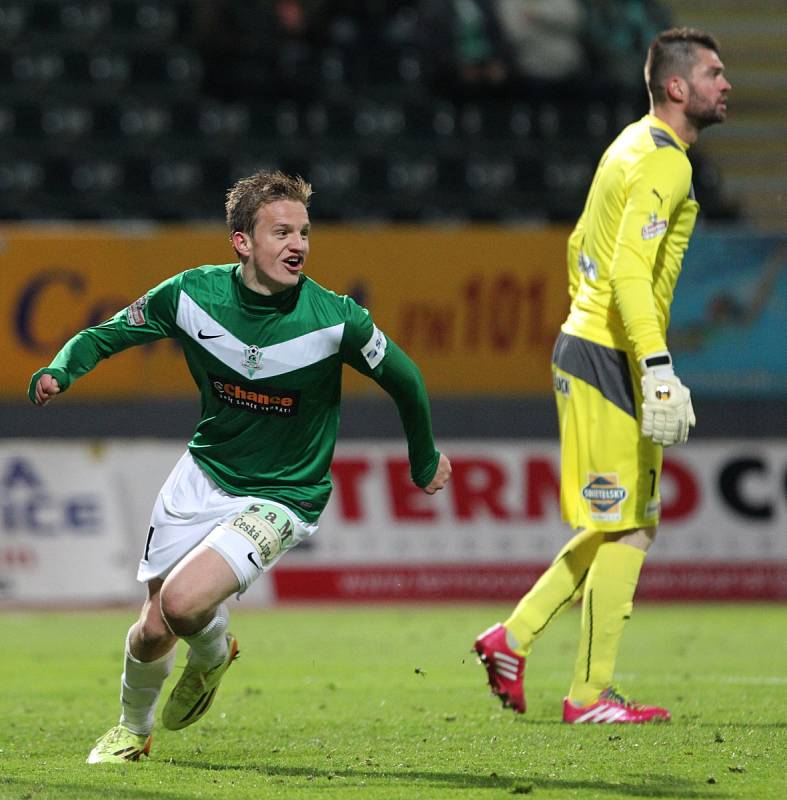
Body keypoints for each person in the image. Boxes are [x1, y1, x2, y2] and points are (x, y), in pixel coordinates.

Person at [29, 170, 452, 762]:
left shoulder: (336, 319)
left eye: (304, 232)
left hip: (283, 494)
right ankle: (133, 728)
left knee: (182, 605)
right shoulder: (192, 295)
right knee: (151, 631)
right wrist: (60, 370)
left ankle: (208, 652)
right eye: (281, 231)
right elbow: (106, 335)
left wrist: (423, 457)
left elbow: (405, 378)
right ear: (242, 241)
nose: (298, 244)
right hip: (202, 476)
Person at [474, 28, 730, 723]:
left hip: (590, 344)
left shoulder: (629, 144)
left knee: (625, 519)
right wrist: (651, 361)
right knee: (630, 525)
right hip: (607, 353)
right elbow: (624, 270)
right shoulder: (664, 163)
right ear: (675, 87)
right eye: (711, 73)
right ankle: (586, 695)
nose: (724, 84)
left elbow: (579, 245)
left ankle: (512, 637)